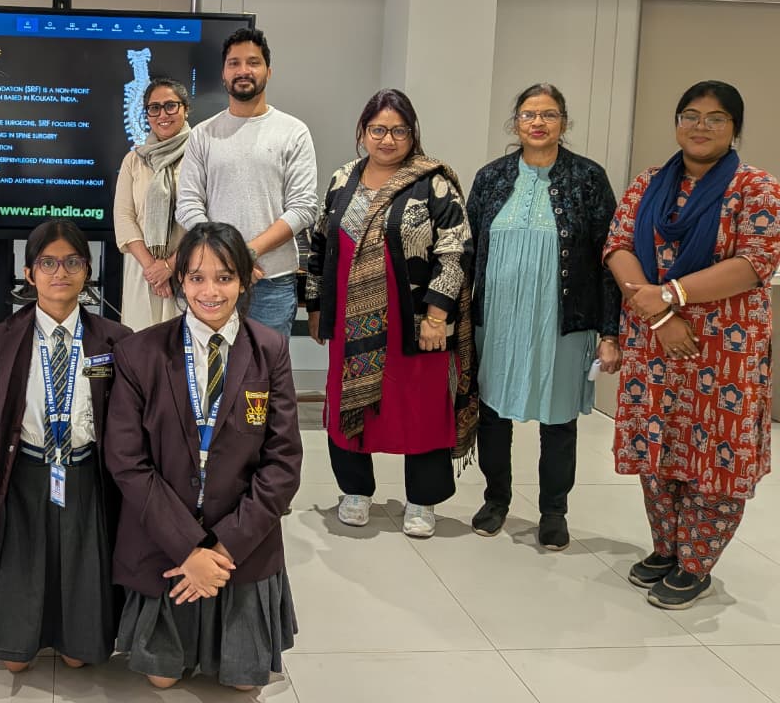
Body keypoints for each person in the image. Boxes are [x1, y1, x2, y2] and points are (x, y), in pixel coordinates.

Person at [605, 80, 780, 609]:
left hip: (724, 350)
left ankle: (696, 563)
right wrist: (660, 314)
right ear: (677, 122)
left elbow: (754, 263)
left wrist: (670, 294)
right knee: (659, 447)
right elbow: (617, 246)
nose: (701, 126)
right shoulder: (648, 184)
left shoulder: (757, 188)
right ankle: (667, 548)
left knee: (715, 455)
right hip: (654, 341)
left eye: (716, 118)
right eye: (691, 115)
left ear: (735, 128)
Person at [107, 222, 301, 690]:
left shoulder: (270, 349)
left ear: (246, 279)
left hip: (241, 541)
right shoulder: (139, 352)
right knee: (161, 678)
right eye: (196, 277)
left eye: (224, 277)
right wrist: (189, 550)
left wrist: (223, 548)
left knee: (243, 682)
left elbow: (283, 462)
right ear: (180, 281)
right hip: (163, 536)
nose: (210, 291)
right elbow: (127, 461)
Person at [0, 219, 132, 672]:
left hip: (86, 474)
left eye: (73, 262)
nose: (61, 272)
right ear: (29, 273)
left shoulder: (115, 340)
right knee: (16, 660)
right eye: (48, 263)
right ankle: (21, 633)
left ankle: (78, 632)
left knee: (77, 656)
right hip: (25, 475)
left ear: (87, 271)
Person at [306, 89, 476, 539]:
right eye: (378, 129)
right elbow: (321, 245)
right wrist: (317, 306)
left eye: (398, 131)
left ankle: (422, 500)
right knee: (347, 401)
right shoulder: (343, 179)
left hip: (414, 324)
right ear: (362, 132)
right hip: (350, 323)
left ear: (412, 134)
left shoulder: (433, 182)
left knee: (422, 409)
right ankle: (355, 491)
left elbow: (455, 250)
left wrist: (436, 315)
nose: (387, 139)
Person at [466, 84, 622, 549]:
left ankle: (554, 511)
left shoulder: (588, 178)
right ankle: (496, 499)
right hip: (497, 322)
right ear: (515, 122)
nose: (538, 122)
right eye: (529, 114)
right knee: (493, 414)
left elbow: (611, 258)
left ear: (564, 123)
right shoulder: (491, 178)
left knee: (559, 420)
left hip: (562, 322)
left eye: (549, 114)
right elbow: (466, 250)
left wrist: (610, 331)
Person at [175, 27, 318, 339]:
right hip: (212, 282)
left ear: (268, 71)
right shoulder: (202, 134)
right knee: (209, 363)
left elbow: (303, 208)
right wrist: (226, 258)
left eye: (253, 62)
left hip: (272, 282)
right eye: (234, 63)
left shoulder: (293, 132)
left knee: (265, 367)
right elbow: (187, 205)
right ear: (223, 73)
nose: (243, 70)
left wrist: (246, 253)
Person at [114, 77, 191, 330]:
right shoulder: (133, 160)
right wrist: (153, 269)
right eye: (154, 108)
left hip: (187, 268)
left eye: (171, 106)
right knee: (140, 343)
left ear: (185, 109)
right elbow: (124, 218)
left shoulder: (200, 156)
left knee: (183, 344)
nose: (162, 115)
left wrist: (169, 266)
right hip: (142, 271)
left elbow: (206, 222)